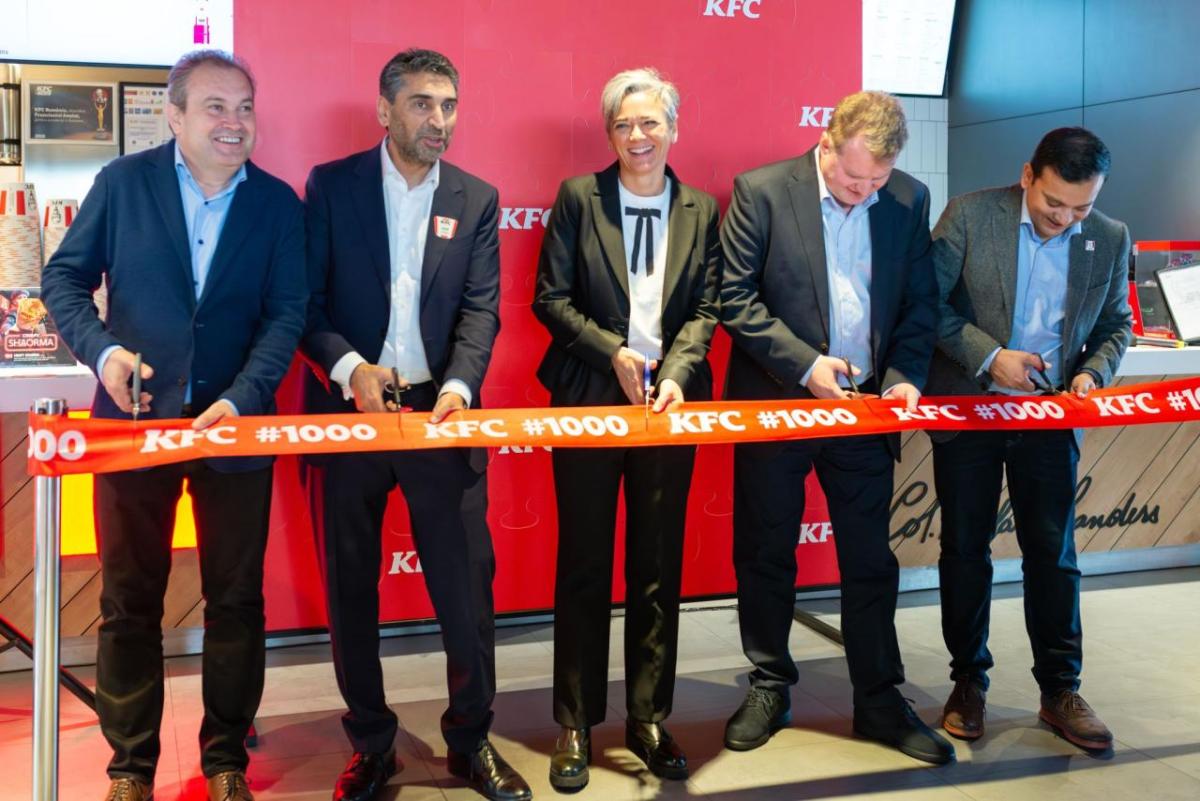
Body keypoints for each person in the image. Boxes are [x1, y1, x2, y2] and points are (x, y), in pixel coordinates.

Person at [40, 50, 307, 801]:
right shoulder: (123, 186)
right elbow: (62, 278)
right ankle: (131, 767)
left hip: (234, 432)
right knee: (130, 600)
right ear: (176, 114)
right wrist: (102, 353)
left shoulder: (280, 206)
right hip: (132, 429)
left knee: (236, 601)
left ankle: (225, 759)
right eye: (217, 107)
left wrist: (249, 394)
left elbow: (286, 314)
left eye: (245, 107)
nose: (235, 122)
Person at [299, 48, 530, 801]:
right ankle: (371, 745)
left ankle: (472, 738)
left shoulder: (476, 195)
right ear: (385, 110)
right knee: (351, 590)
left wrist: (461, 388)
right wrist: (350, 370)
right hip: (349, 418)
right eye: (425, 104)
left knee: (466, 589)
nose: (441, 120)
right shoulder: (332, 188)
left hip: (442, 415)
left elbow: (481, 308)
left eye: (451, 105)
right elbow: (308, 306)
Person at [719, 90, 953, 764]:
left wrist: (906, 372)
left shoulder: (906, 199)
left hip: (865, 407)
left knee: (870, 560)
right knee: (765, 550)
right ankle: (769, 683)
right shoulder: (761, 191)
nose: (863, 192)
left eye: (876, 180)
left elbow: (919, 302)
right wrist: (805, 365)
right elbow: (735, 296)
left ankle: (879, 696)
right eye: (854, 178)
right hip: (777, 403)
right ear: (826, 145)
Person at [531, 67, 721, 790]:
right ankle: (575, 722)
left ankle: (648, 716)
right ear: (609, 133)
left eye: (651, 123)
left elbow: (707, 306)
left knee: (657, 568)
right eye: (624, 125)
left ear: (674, 127)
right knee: (583, 564)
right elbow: (549, 298)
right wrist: (609, 353)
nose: (638, 137)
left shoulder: (702, 208)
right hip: (587, 399)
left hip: (669, 406)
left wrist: (676, 369)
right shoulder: (580, 199)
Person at [927, 127, 1132, 751]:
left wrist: (1094, 371)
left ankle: (1060, 689)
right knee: (966, 548)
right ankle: (968, 682)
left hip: (1048, 418)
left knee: (1054, 553)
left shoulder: (1110, 237)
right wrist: (990, 357)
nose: (1065, 219)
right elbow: (926, 305)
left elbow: (1116, 324)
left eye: (1081, 208)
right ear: (1027, 176)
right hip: (970, 411)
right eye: (1053, 205)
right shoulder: (969, 215)